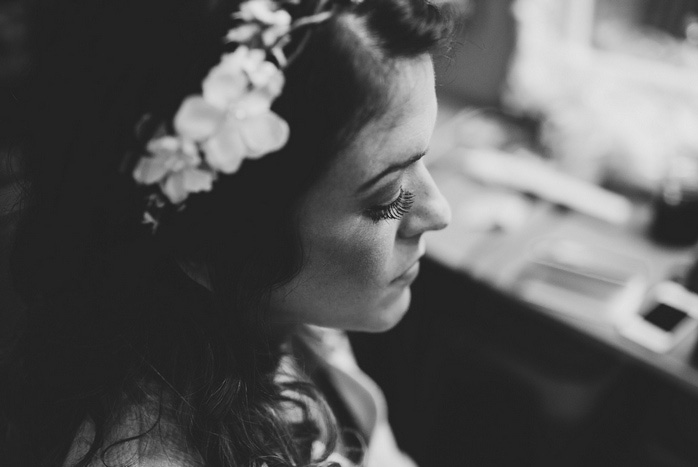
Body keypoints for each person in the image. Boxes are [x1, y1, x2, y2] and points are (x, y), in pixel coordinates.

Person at [5, 0, 452, 465]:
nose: (440, 213)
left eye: (424, 159)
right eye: (387, 197)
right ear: (209, 243)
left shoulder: (285, 322)